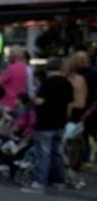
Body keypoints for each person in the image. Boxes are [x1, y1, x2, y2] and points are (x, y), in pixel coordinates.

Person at [23, 58, 73, 192]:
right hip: (60, 122)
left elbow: (40, 101)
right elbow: (69, 106)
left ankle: (41, 181)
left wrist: (32, 99)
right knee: (57, 153)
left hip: (45, 122)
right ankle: (59, 181)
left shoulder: (47, 83)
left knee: (43, 153)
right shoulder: (67, 83)